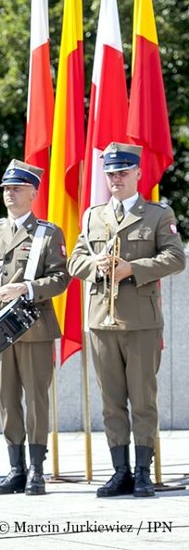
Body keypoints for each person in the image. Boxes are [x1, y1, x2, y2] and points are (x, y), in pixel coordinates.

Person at [68, 142, 185, 498]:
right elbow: (75, 261)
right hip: (102, 320)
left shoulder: (157, 215)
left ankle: (142, 472)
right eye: (110, 174)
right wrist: (96, 266)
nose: (115, 179)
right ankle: (119, 471)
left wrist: (132, 268)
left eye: (122, 172)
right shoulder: (93, 215)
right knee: (111, 401)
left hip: (141, 322)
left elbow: (176, 258)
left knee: (143, 399)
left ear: (137, 174)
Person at [0, 160, 70, 496]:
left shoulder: (47, 233)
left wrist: (26, 288)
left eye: (16, 188)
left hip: (33, 326)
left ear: (33, 193)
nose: (9, 194)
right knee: (7, 399)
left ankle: (37, 470)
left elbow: (60, 278)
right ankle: (16, 468)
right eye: (6, 189)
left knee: (36, 399)